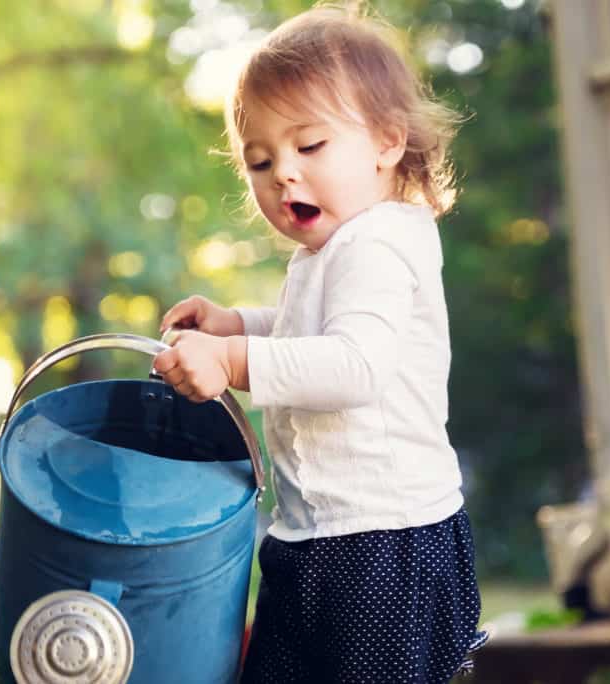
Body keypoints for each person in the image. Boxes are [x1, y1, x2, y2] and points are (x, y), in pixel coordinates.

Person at [152, 4, 486, 681]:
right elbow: (309, 336)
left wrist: (232, 361)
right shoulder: (329, 252)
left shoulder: (380, 242)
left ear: (387, 142)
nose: (283, 174)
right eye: (260, 160)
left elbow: (354, 365)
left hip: (388, 545)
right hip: (316, 538)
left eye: (309, 147)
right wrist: (236, 324)